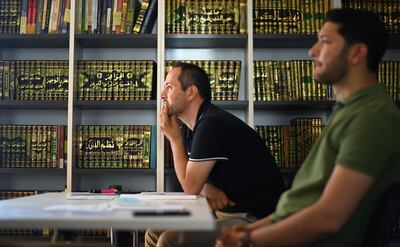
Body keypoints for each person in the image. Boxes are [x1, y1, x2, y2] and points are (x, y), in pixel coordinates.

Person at [216, 8, 400, 247]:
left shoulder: (373, 117)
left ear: (356, 53)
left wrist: (248, 240)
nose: (312, 51)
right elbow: (303, 202)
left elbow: (329, 218)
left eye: (325, 42)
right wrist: (250, 230)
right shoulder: (349, 110)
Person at [145, 62, 285, 246]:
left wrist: (174, 140)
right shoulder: (191, 127)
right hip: (224, 212)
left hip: (257, 218)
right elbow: (196, 181)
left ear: (191, 92)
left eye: (169, 87)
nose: (162, 95)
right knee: (152, 232)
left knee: (168, 240)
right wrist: (207, 188)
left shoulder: (211, 124)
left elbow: (190, 187)